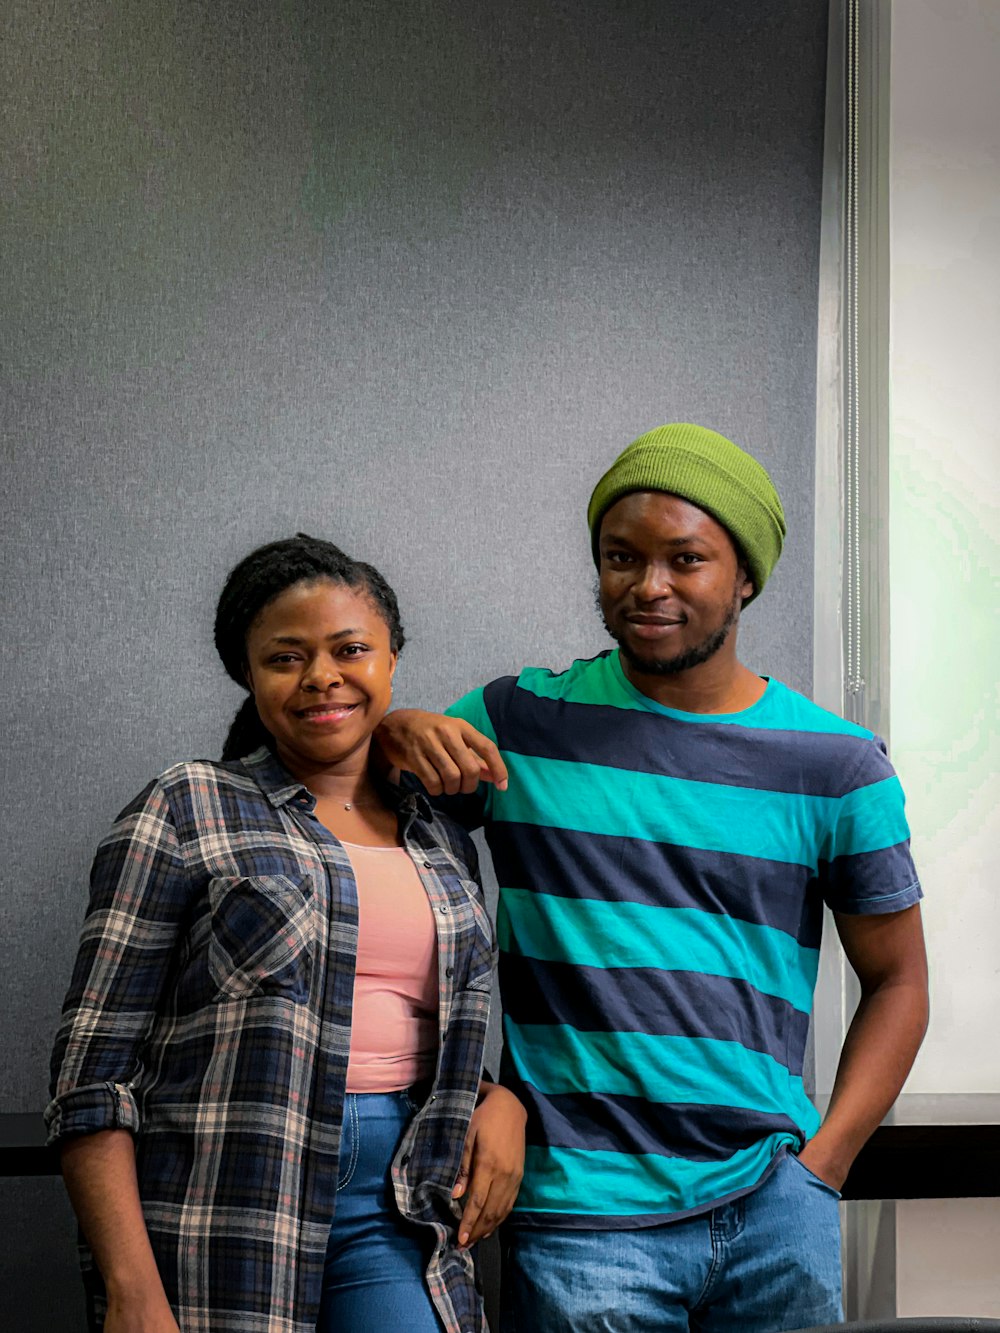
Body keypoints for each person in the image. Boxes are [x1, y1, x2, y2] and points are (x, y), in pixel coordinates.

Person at [375, 424, 930, 1333]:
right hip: (585, 1219)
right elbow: (356, 863)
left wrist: (822, 1166)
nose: (649, 585)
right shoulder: (520, 721)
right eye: (621, 556)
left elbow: (901, 982)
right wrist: (392, 728)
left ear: (744, 574)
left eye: (687, 558)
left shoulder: (836, 764)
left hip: (773, 1210)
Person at [47, 534, 526, 1333]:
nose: (322, 678)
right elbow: (92, 1075)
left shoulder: (441, 836)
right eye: (286, 657)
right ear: (248, 672)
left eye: (351, 649)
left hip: (400, 1209)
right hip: (225, 1213)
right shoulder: (187, 806)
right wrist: (131, 1288)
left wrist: (496, 1096)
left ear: (392, 658)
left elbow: (396, 1022)